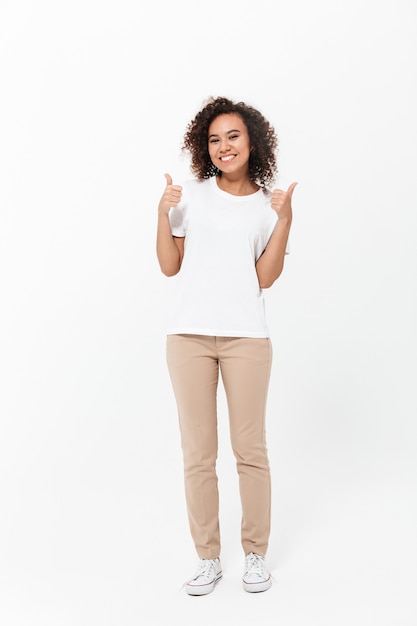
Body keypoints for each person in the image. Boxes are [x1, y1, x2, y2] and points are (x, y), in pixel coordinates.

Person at [156, 95, 296, 595]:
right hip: (189, 336)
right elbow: (170, 265)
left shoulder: (266, 204)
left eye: (232, 136)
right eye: (214, 139)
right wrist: (161, 212)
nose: (223, 146)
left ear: (252, 141)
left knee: (250, 450)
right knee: (198, 453)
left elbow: (266, 276)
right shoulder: (190, 196)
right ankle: (208, 558)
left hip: (246, 338)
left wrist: (285, 221)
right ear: (204, 147)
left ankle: (255, 554)